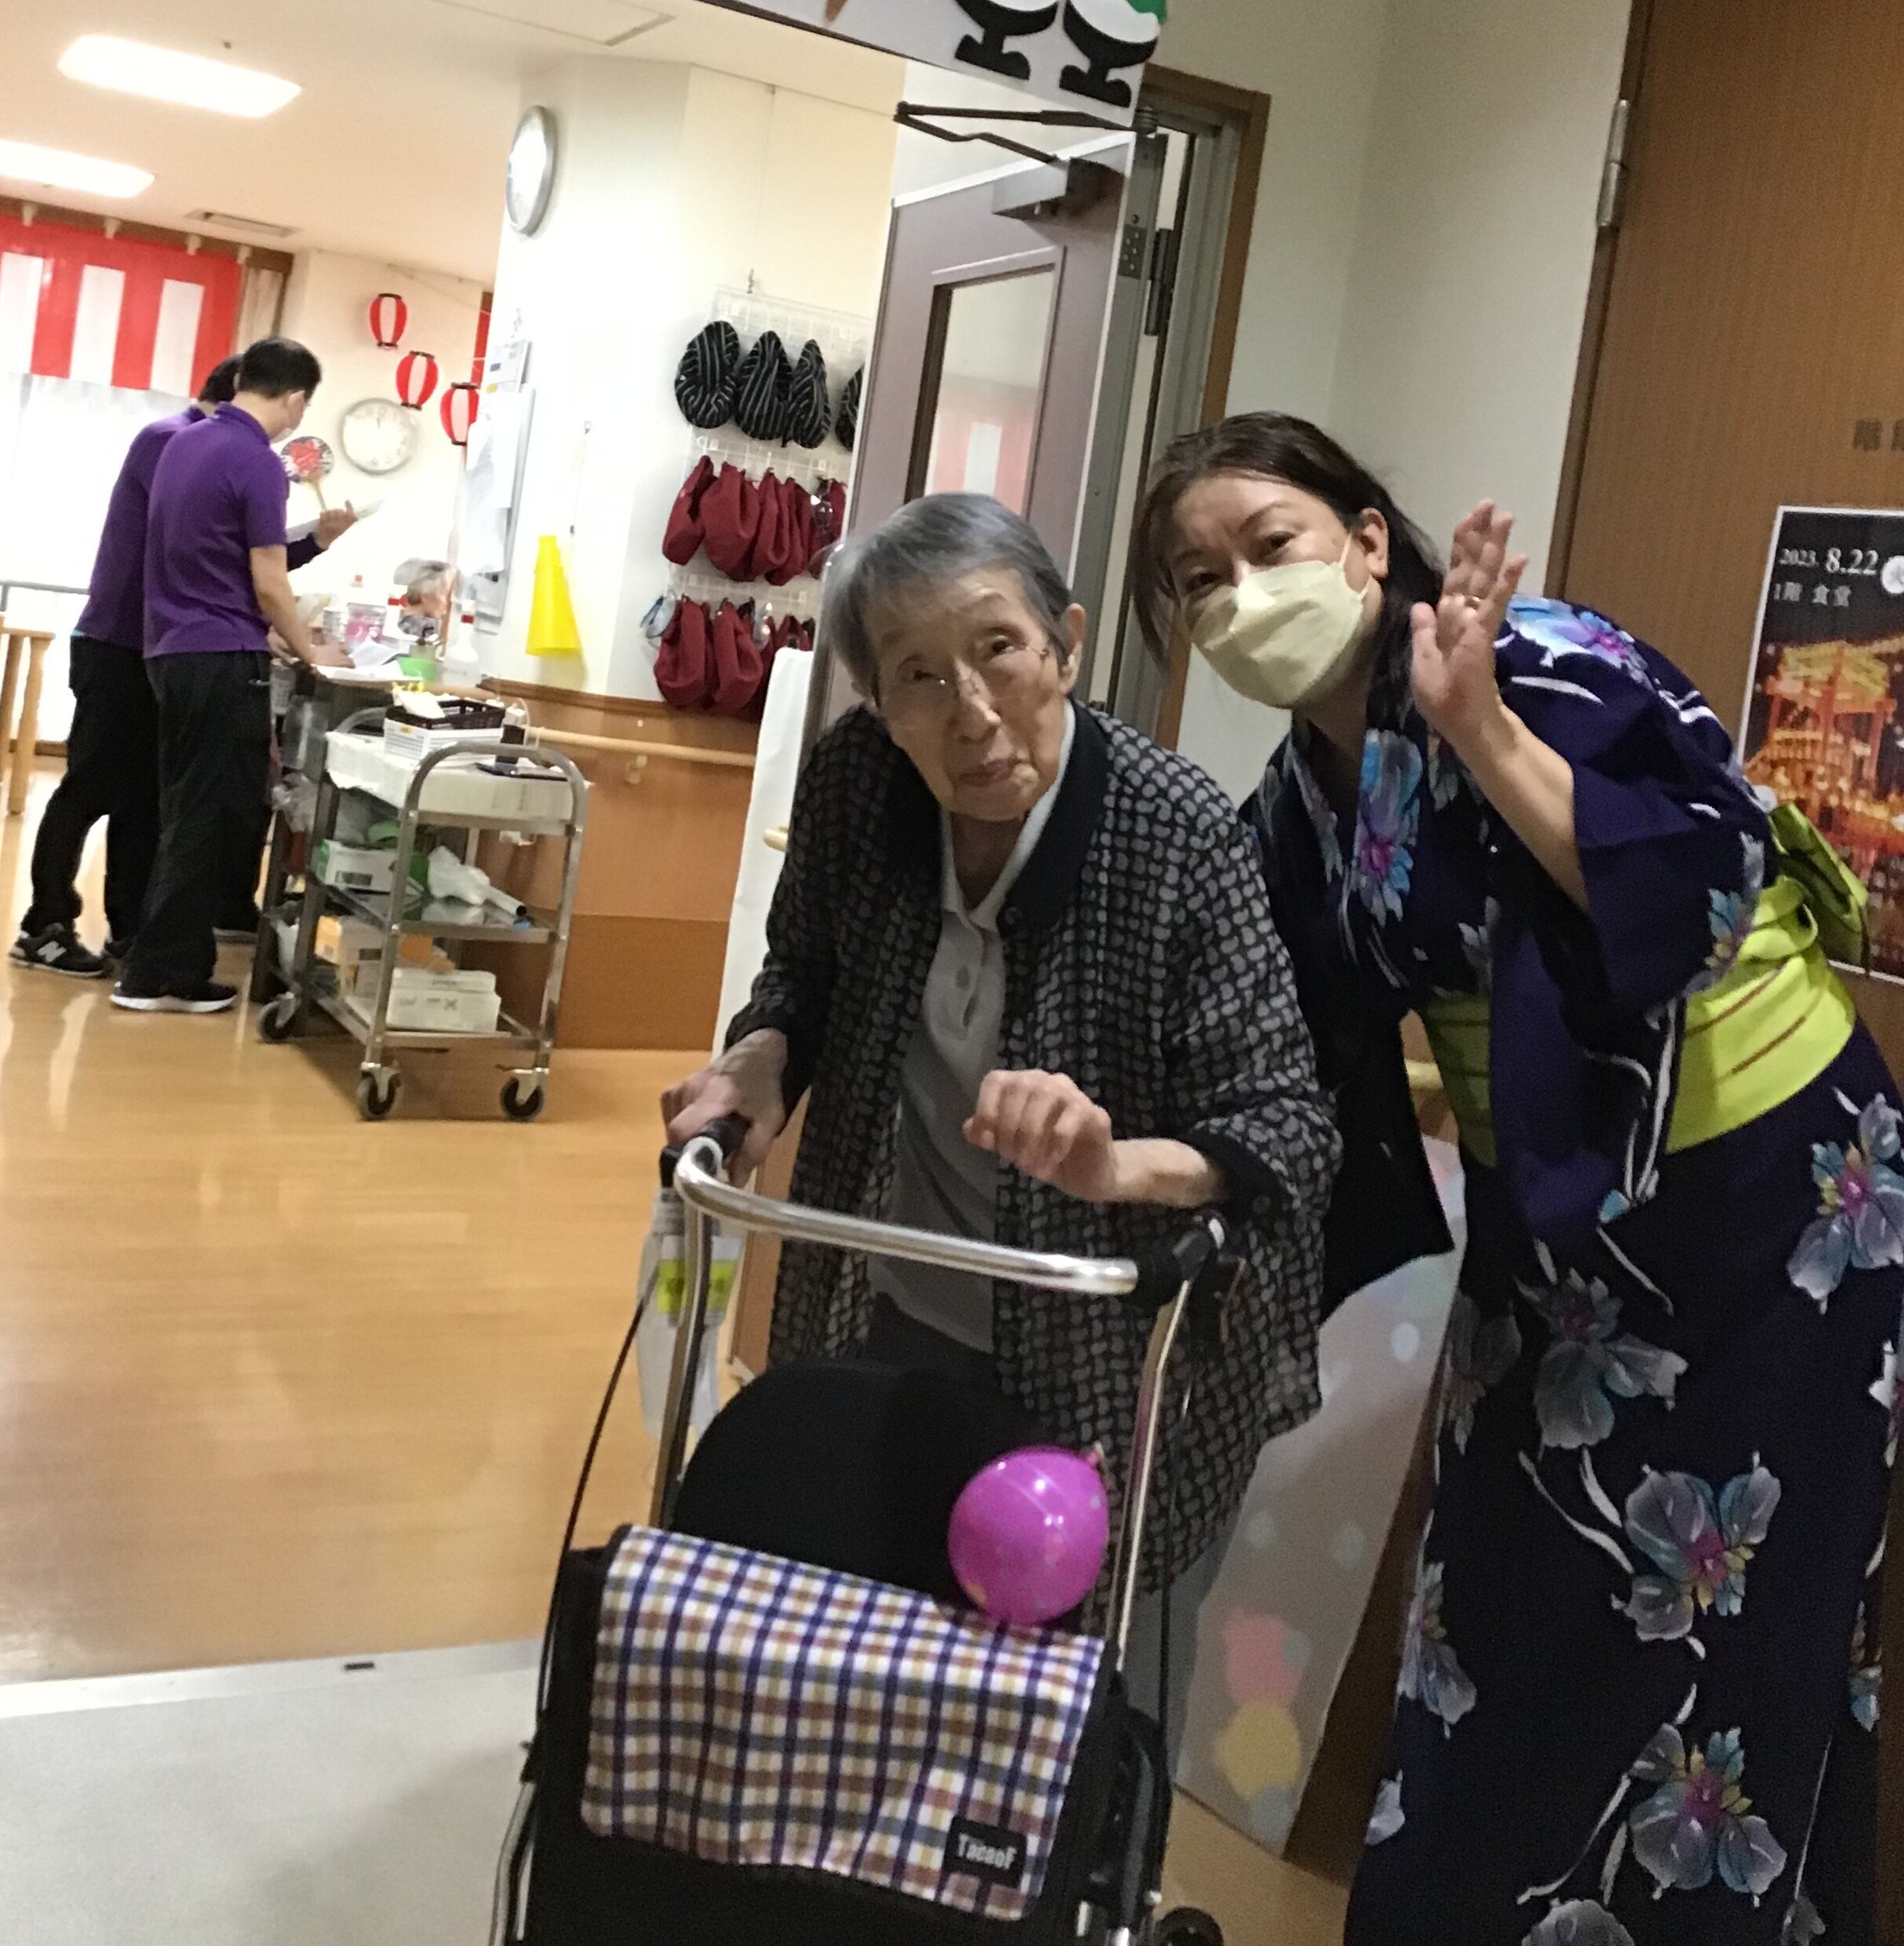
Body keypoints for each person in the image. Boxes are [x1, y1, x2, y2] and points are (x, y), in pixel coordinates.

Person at [1127, 413, 1904, 1946]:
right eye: (1199, 580)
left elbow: (1698, 891)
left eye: (1267, 546)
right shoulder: (1293, 798)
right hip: (1554, 1246)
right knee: (1488, 1607)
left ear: (1364, 540)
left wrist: (1476, 722)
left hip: (1767, 1216)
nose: (1238, 596)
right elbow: (1277, 1041)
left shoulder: (1544, 658)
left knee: (1729, 1631)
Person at [663, 492, 1338, 1725]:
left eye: (999, 650)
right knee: (864, 1663)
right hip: (890, 1300)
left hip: (1112, 1355)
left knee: (1074, 1705)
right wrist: (757, 1064)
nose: (970, 713)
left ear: (1066, 644)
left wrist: (1116, 1163)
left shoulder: (1177, 831)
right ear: (878, 701)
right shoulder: (860, 784)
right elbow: (802, 974)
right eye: (918, 676)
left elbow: (1288, 1124)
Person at [13, 356, 353, 978]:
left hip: (159, 643)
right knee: (92, 787)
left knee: (148, 797)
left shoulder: (198, 443)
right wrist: (270, 627)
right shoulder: (173, 441)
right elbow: (197, 554)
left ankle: (130, 928)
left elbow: (219, 552)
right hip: (119, 642)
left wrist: (307, 552)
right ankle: (45, 923)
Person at [113, 338, 342, 1018]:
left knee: (185, 810)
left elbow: (203, 557)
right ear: (295, 399)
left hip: (169, 650)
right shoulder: (258, 461)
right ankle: (161, 975)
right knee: (213, 817)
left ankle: (165, 964)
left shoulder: (184, 442)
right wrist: (310, 651)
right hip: (221, 656)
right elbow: (268, 581)